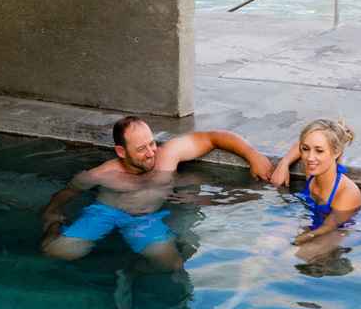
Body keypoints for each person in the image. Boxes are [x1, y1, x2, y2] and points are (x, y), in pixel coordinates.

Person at [40, 116, 271, 282]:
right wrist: (52, 213)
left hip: (145, 219)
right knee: (57, 252)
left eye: (152, 143)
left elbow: (214, 138)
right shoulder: (102, 174)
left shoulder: (167, 155)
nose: (151, 153)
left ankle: (131, 270)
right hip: (106, 211)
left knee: (172, 266)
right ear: (121, 152)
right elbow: (69, 191)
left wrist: (254, 155)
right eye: (141, 149)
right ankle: (55, 229)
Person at [267, 118, 361, 252]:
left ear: (336, 152)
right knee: (265, 245)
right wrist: (284, 163)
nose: (310, 158)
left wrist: (301, 239)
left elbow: (329, 227)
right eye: (306, 150)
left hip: (337, 231)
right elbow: (304, 143)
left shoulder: (347, 193)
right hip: (313, 222)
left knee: (292, 257)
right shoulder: (312, 171)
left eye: (319, 151)